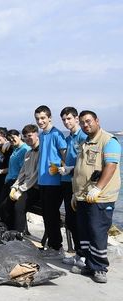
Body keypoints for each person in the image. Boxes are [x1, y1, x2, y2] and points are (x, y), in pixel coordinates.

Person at [70, 110, 120, 284]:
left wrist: (98, 188)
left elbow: (111, 166)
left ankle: (99, 268)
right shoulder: (85, 143)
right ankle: (89, 264)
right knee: (85, 232)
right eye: (82, 122)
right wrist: (75, 194)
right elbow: (80, 171)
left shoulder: (108, 140)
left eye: (88, 121)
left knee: (97, 232)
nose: (85, 125)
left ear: (97, 120)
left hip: (100, 198)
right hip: (83, 196)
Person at [35, 105, 68, 258]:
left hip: (54, 182)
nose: (40, 121)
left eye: (42, 118)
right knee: (47, 215)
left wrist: (62, 168)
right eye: (37, 119)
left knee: (52, 215)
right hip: (43, 181)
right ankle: (53, 246)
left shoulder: (57, 134)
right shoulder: (41, 135)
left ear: (49, 118)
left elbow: (65, 156)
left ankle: (57, 247)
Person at [58, 107, 88, 268]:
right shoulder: (69, 138)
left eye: (69, 118)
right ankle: (78, 253)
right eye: (64, 119)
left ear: (76, 118)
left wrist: (71, 168)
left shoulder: (83, 136)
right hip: (66, 182)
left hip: (78, 184)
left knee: (79, 220)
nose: (66, 122)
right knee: (70, 220)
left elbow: (85, 160)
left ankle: (84, 255)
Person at [5, 125, 40, 232]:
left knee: (18, 207)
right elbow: (22, 173)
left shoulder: (41, 151)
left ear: (37, 135)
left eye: (30, 135)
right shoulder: (28, 152)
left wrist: (21, 190)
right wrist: (15, 187)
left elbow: (35, 175)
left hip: (35, 188)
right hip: (25, 187)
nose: (28, 138)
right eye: (25, 136)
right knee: (5, 206)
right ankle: (9, 233)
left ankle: (19, 236)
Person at [0, 129, 30, 223]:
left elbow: (24, 170)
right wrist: (6, 144)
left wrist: (17, 186)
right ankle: (5, 230)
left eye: (13, 137)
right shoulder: (15, 149)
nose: (11, 140)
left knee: (6, 208)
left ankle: (11, 231)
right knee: (2, 207)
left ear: (19, 136)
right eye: (9, 138)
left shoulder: (25, 149)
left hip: (16, 181)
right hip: (9, 181)